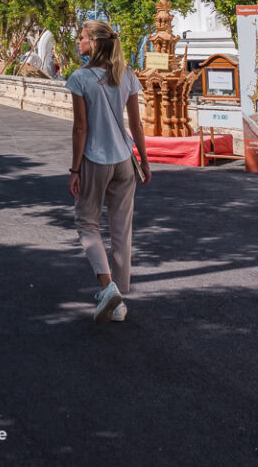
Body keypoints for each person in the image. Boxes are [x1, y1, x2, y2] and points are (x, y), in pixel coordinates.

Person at [66, 20, 151, 324]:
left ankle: (107, 287)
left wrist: (74, 169)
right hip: (125, 160)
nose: (79, 42)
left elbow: (80, 128)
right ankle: (119, 300)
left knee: (87, 223)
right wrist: (145, 159)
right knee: (121, 229)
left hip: (95, 159)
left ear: (94, 43)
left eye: (82, 37)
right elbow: (137, 125)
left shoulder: (80, 79)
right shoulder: (126, 75)